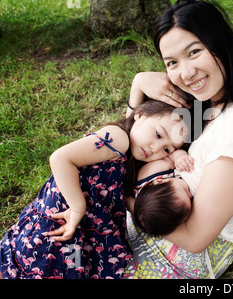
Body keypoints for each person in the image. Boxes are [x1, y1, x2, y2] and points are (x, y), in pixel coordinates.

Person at [124, 0, 233, 279]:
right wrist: (137, 89)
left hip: (176, 254)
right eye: (172, 62)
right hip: (153, 222)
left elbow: (195, 239)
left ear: (221, 43)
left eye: (194, 52)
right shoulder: (207, 101)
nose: (185, 73)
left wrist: (127, 199)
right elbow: (132, 146)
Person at [0, 100, 188, 279]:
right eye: (158, 134)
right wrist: (76, 207)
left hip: (83, 231)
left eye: (166, 149)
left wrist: (178, 154)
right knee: (37, 262)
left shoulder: (131, 159)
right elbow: (60, 158)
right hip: (64, 215)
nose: (156, 148)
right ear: (139, 115)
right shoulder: (118, 139)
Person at [128, 148, 195, 237]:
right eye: (190, 199)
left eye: (186, 191)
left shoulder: (155, 170)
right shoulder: (161, 210)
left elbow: (173, 155)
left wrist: (180, 158)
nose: (191, 194)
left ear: (160, 181)